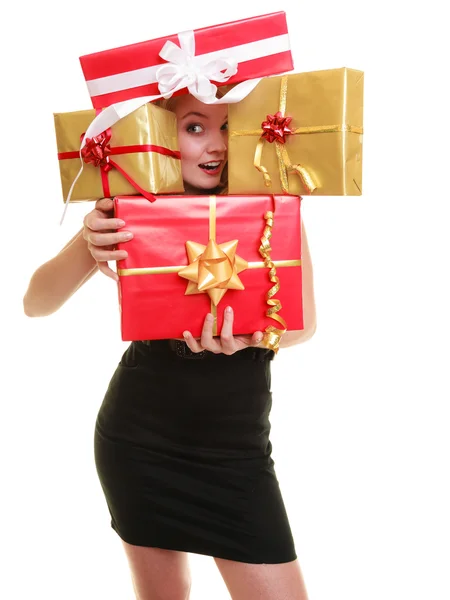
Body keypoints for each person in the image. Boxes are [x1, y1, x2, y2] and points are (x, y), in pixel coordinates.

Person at [23, 91, 317, 600]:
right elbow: (36, 303)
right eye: (196, 127)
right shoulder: (128, 212)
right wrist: (90, 243)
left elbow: (302, 324)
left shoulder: (269, 207)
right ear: (157, 134)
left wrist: (251, 338)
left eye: (229, 127)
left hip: (237, 453)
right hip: (140, 442)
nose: (218, 145)